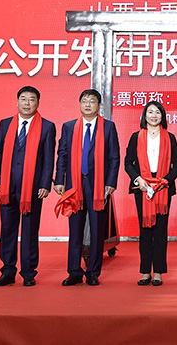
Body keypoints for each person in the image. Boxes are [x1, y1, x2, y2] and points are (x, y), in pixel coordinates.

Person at [0, 86, 56, 287]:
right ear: (17, 101)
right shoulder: (5, 124)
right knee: (7, 230)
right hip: (7, 187)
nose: (27, 103)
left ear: (38, 103)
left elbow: (48, 159)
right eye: (23, 99)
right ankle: (7, 271)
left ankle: (28, 272)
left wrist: (45, 183)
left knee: (29, 230)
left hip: (33, 189)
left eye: (31, 99)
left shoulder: (47, 127)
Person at [54, 89, 120, 286]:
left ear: (99, 105)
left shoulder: (108, 127)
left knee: (98, 229)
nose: (88, 104)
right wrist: (59, 180)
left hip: (98, 185)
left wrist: (111, 182)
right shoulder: (69, 127)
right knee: (75, 229)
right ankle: (74, 271)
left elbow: (114, 157)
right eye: (84, 101)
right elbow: (62, 155)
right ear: (80, 104)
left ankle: (93, 272)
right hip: (74, 184)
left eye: (92, 101)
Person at [125, 101, 177, 286]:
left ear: (162, 116)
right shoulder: (136, 137)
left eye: (157, 112)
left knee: (160, 231)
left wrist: (166, 181)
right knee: (145, 231)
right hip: (142, 187)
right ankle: (144, 272)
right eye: (150, 112)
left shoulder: (170, 137)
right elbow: (128, 163)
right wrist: (138, 180)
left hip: (163, 187)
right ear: (144, 116)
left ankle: (158, 272)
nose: (154, 115)